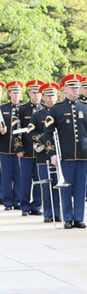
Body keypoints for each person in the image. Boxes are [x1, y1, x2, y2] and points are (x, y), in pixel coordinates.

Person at [44, 74, 87, 229]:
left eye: (77, 87)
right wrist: (51, 153)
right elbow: (47, 133)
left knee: (81, 188)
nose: (75, 90)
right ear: (64, 90)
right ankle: (68, 218)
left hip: (83, 154)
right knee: (66, 188)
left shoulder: (86, 107)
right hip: (65, 156)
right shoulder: (57, 109)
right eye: (72, 88)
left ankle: (79, 217)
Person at [29, 82, 61, 222]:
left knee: (59, 186)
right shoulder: (37, 115)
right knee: (46, 185)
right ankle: (48, 213)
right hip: (43, 154)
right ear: (43, 98)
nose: (52, 98)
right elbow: (30, 132)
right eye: (48, 95)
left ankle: (59, 213)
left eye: (53, 94)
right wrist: (42, 138)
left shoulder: (61, 111)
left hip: (60, 154)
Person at [16, 80, 44, 216]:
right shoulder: (22, 109)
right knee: (25, 180)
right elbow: (16, 130)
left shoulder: (45, 109)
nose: (37, 95)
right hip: (26, 151)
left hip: (41, 151)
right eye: (34, 92)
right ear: (29, 93)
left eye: (39, 92)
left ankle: (36, 206)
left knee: (39, 180)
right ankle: (25, 207)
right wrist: (18, 148)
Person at [0, 81, 23, 210]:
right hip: (4, 148)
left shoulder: (24, 109)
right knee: (6, 176)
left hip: (20, 149)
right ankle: (7, 202)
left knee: (19, 175)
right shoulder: (2, 109)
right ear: (9, 94)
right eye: (13, 92)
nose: (16, 95)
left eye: (18, 92)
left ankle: (18, 200)